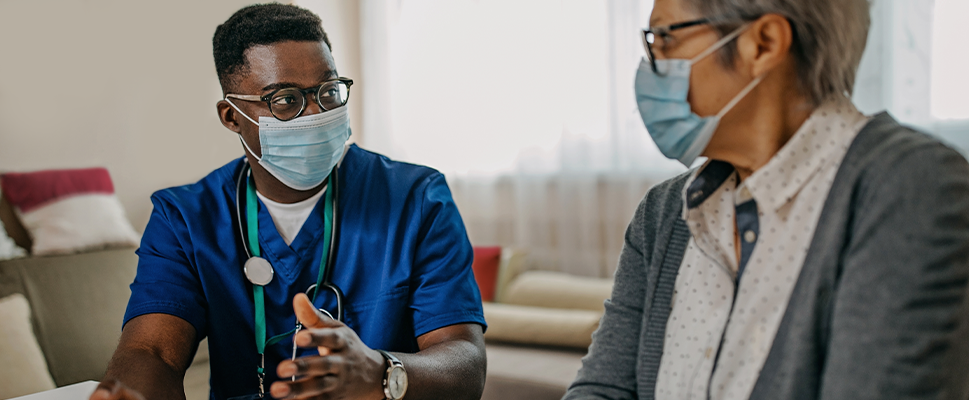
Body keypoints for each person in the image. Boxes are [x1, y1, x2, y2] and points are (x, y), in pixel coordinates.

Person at [565, 0, 969, 399]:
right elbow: (603, 388)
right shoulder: (663, 214)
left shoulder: (906, 188)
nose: (650, 61)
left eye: (666, 37)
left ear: (763, 43)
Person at [89, 4, 486, 400]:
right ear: (232, 116)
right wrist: (133, 392)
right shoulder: (186, 218)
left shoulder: (415, 198)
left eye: (329, 92)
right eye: (285, 100)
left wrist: (382, 372)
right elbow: (151, 351)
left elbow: (465, 361)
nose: (316, 113)